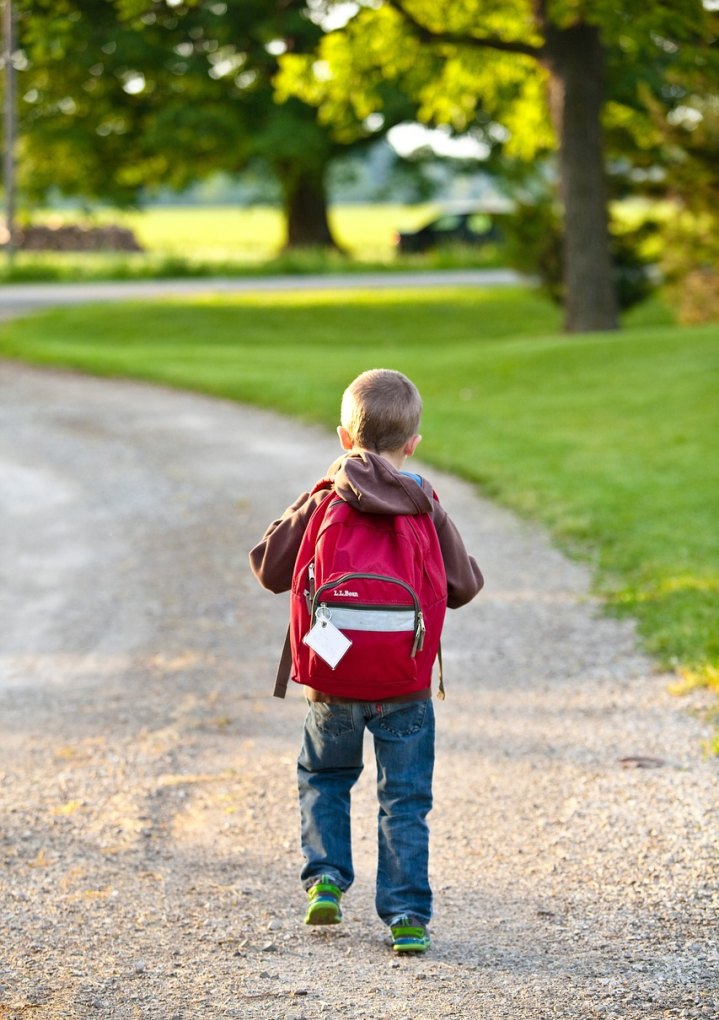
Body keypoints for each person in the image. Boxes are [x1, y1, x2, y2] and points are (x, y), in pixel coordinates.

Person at [249, 368, 483, 952]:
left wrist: (316, 492)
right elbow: (464, 585)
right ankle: (406, 917)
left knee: (325, 777)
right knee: (403, 800)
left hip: (333, 683)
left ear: (343, 438)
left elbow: (269, 568)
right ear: (413, 444)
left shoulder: (327, 497)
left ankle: (326, 879)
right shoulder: (423, 500)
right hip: (405, 684)